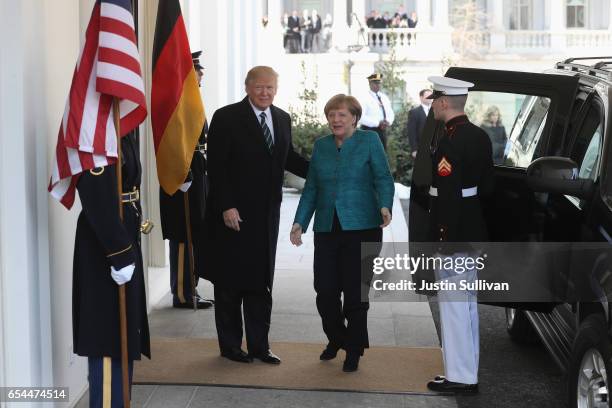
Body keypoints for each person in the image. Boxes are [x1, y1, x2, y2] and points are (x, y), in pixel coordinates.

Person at [203, 66, 309, 365]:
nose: (265, 93)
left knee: (261, 282)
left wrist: (325, 172)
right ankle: (230, 346)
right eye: (259, 87)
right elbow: (217, 167)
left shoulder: (282, 119)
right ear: (247, 86)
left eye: (270, 88)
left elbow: (289, 158)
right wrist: (226, 205)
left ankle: (260, 346)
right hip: (233, 214)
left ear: (276, 89)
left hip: (266, 216)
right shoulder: (226, 117)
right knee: (230, 282)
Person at [291, 94, 395, 373]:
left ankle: (353, 352)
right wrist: (299, 221)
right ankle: (341, 338)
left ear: (354, 118)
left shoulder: (369, 141)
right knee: (325, 292)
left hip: (363, 227)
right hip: (327, 229)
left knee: (355, 294)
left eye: (342, 115)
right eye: (331, 115)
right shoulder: (321, 146)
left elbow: (383, 178)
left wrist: (385, 205)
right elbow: (312, 187)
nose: (335, 120)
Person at [424, 76, 494, 394]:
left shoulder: (449, 141)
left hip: (453, 235)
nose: (433, 106)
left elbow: (448, 196)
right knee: (465, 307)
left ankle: (461, 377)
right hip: (471, 230)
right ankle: (464, 371)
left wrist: (443, 239)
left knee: (454, 307)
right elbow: (488, 187)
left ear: (442, 102)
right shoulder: (479, 136)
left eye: (434, 100)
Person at [73, 131, 150, 406]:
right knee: (108, 333)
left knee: (123, 331)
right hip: (105, 243)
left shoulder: (125, 123)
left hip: (124, 230)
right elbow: (95, 195)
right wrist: (118, 253)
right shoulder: (98, 126)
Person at [159, 51, 213, 310]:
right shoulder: (177, 103)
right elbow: (175, 143)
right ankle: (182, 292)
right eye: (197, 73)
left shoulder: (193, 101)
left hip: (197, 176)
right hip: (183, 177)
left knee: (196, 233)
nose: (201, 76)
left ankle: (191, 287)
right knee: (183, 234)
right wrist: (185, 174)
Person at [359, 73, 395, 150]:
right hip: (368, 131)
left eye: (379, 83)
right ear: (370, 84)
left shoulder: (384, 97)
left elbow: (390, 112)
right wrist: (377, 123)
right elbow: (361, 117)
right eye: (375, 83)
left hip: (382, 131)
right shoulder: (364, 97)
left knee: (381, 155)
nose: (378, 85)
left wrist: (388, 121)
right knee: (369, 156)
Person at [406, 89, 433, 159]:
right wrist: (414, 149)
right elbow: (411, 132)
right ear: (421, 97)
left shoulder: (436, 111)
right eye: (428, 96)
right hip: (420, 148)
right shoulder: (414, 112)